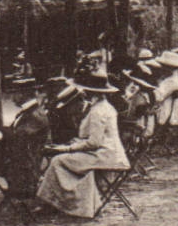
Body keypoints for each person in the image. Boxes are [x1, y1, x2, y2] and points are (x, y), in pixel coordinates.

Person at [36, 73, 128, 218]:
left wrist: (67, 148)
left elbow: (94, 143)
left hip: (104, 155)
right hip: (105, 152)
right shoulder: (104, 106)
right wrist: (72, 145)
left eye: (84, 90)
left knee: (58, 160)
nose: (82, 93)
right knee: (63, 160)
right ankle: (66, 201)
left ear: (91, 91)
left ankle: (54, 203)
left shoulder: (98, 111)